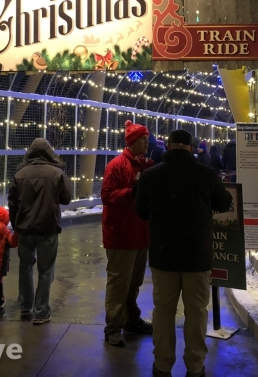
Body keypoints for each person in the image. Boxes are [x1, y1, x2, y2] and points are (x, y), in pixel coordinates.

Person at [136, 130, 233, 377]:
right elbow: (224, 204)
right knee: (197, 311)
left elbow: (141, 211)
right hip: (197, 256)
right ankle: (195, 366)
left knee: (163, 311)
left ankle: (162, 365)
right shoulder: (206, 174)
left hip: (163, 254)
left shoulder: (150, 175)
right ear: (191, 148)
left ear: (167, 146)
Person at [101, 120, 155, 347]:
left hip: (140, 234)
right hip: (121, 236)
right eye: (143, 139)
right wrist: (131, 191)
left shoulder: (144, 166)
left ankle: (131, 319)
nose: (147, 142)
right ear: (133, 142)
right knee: (118, 283)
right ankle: (113, 326)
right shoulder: (117, 165)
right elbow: (107, 196)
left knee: (134, 282)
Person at [8, 138, 72, 325]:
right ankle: (41, 311)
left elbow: (12, 202)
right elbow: (67, 198)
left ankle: (25, 307)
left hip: (25, 229)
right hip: (48, 228)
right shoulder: (57, 173)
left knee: (25, 267)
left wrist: (16, 225)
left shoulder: (20, 174)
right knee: (46, 271)